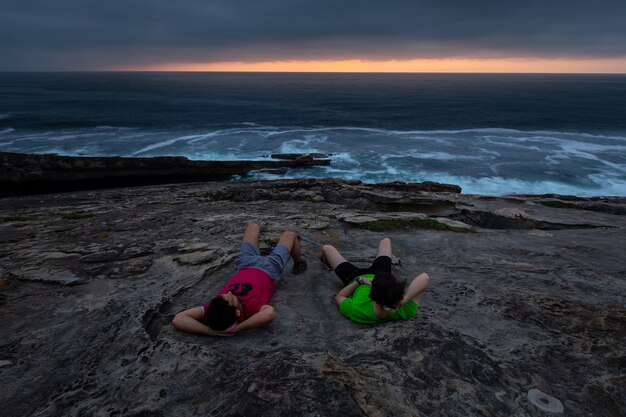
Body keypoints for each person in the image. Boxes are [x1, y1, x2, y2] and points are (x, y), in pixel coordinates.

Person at [172, 223, 307, 336]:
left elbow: (178, 319)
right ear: (237, 312)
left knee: (252, 226)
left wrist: (211, 331)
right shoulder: (252, 309)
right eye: (232, 298)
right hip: (270, 267)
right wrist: (238, 328)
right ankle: (299, 262)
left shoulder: (215, 308)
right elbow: (269, 314)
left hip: (245, 263)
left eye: (226, 294)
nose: (230, 293)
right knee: (290, 235)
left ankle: (266, 233)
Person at [321, 238, 429, 324]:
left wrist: (359, 281)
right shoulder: (403, 311)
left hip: (354, 277)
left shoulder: (357, 310)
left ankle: (325, 261)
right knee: (386, 241)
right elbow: (425, 277)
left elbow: (339, 296)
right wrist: (402, 301)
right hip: (382, 274)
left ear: (372, 296)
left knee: (327, 248)